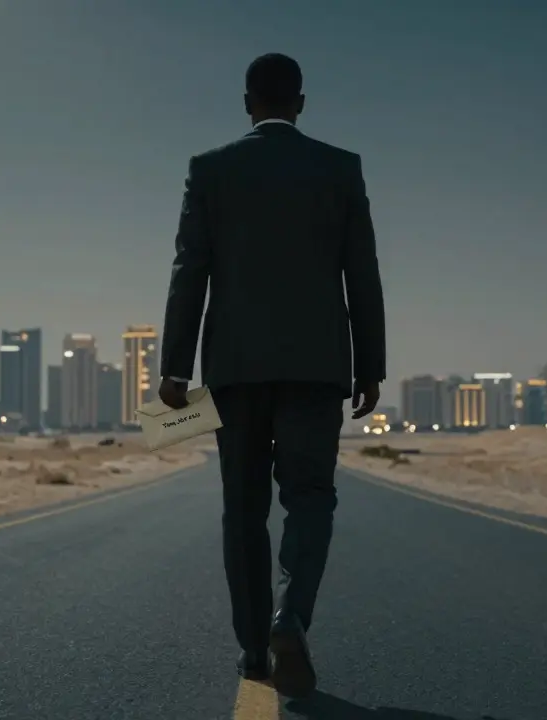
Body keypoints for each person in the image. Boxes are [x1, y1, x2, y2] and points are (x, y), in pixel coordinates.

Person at [157, 53, 386, 698]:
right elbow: (361, 274)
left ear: (246, 102)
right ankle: (292, 617)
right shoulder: (341, 168)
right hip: (317, 369)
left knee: (243, 510)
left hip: (235, 370)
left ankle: (255, 650)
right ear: (302, 104)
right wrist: (370, 365)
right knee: (311, 497)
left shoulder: (210, 169)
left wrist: (175, 366)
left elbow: (189, 271)